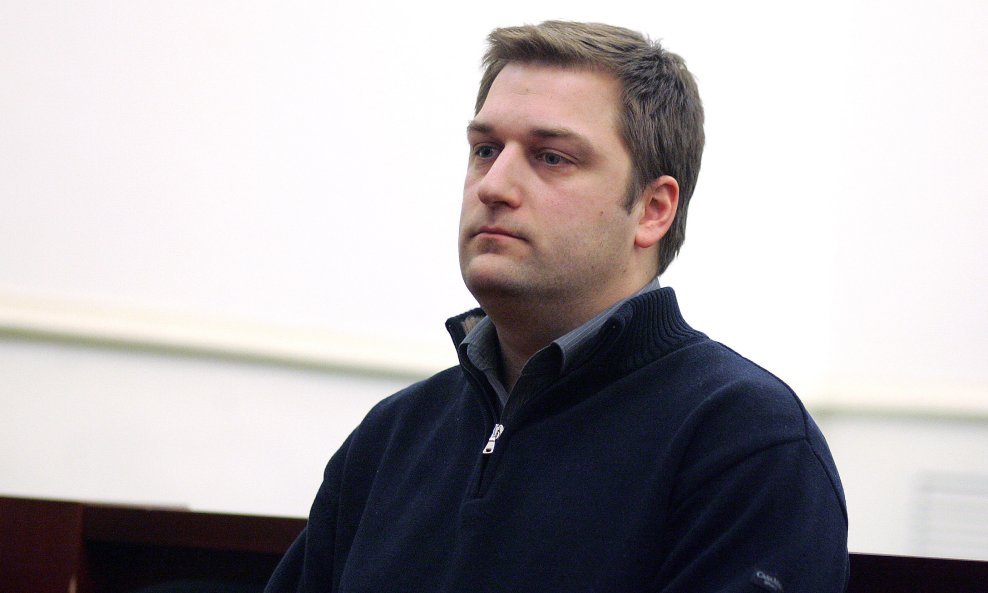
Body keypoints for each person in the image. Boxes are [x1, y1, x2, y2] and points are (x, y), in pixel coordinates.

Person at [265, 21, 849, 593]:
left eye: (551, 157)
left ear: (653, 210)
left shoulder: (745, 441)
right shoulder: (393, 435)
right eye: (485, 149)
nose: (493, 186)